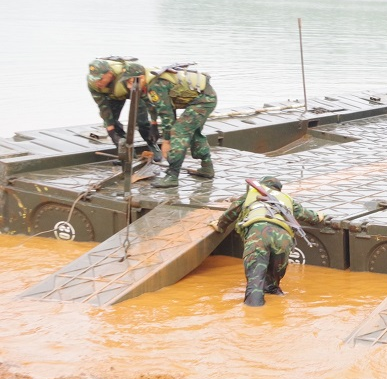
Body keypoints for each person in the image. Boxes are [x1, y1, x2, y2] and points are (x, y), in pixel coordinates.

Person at [210, 176, 340, 307]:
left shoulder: (251, 194)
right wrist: (319, 216)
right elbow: (307, 215)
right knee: (272, 286)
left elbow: (231, 212)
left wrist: (220, 226)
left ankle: (254, 317)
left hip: (258, 233)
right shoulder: (287, 199)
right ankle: (276, 309)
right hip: (283, 238)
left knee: (255, 287)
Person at [121, 62, 218, 188]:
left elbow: (167, 117)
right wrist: (156, 125)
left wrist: (166, 141)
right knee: (192, 131)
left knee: (179, 131)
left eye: (130, 82)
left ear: (141, 78)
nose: (129, 87)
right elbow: (163, 108)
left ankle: (172, 175)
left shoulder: (156, 86)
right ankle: (207, 168)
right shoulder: (151, 82)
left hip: (204, 101)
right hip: (203, 98)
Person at [87, 57, 161, 160]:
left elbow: (148, 102)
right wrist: (111, 133)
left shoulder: (127, 76)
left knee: (142, 122)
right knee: (112, 123)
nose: (97, 83)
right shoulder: (93, 84)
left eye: (100, 79)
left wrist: (154, 124)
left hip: (135, 91)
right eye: (94, 79)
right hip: (114, 95)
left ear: (109, 73)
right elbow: (103, 107)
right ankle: (127, 152)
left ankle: (153, 145)